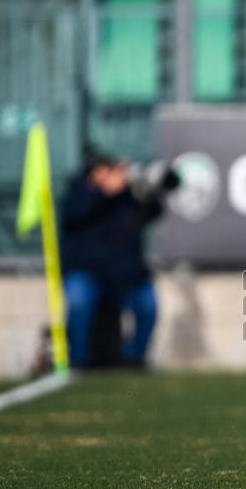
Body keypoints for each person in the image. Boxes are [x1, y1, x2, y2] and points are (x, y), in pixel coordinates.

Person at [60, 148, 162, 368]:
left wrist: (148, 189)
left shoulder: (129, 198)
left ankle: (134, 359)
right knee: (78, 300)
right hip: (88, 275)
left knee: (148, 303)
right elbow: (72, 214)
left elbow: (155, 212)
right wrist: (103, 193)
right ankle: (78, 359)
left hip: (126, 278)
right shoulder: (79, 192)